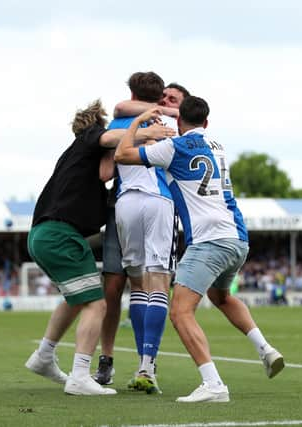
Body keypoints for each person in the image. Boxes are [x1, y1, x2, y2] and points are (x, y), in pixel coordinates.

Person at [115, 97, 284, 403]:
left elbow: (122, 154)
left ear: (179, 122)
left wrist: (139, 123)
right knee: (221, 297)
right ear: (206, 122)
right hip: (238, 238)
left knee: (180, 311)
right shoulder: (217, 145)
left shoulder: (173, 147)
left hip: (209, 240)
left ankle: (213, 384)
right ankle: (265, 349)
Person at [23, 99, 174, 396]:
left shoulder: (76, 158)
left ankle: (43, 356)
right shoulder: (90, 137)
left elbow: (105, 173)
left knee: (77, 298)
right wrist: (145, 133)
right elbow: (109, 140)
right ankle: (80, 375)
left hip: (47, 235)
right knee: (98, 303)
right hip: (61, 235)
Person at [95, 72, 181, 393]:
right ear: (160, 96)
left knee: (136, 286)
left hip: (125, 203)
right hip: (160, 201)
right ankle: (147, 365)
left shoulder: (118, 125)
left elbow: (105, 172)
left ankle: (122, 362)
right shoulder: (170, 125)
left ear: (132, 93)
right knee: (158, 282)